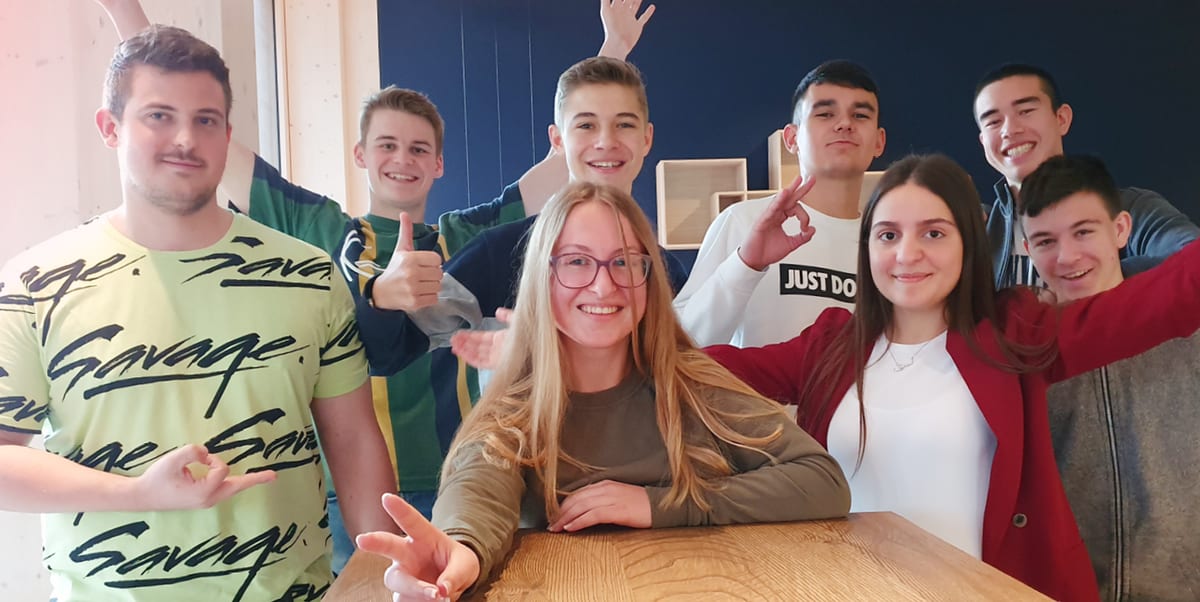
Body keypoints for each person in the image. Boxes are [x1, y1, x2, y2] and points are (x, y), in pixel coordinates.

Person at [93, 0, 656, 573]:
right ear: (361, 155)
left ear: (438, 164)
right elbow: (212, 142)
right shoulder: (318, 230)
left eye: (419, 149)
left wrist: (612, 51)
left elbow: (571, 150)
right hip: (348, 491)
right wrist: (127, 17)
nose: (402, 160)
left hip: (464, 479)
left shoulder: (466, 236)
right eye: (387, 145)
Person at [0, 25, 396, 600]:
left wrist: (383, 579)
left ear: (228, 134)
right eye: (159, 116)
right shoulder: (34, 284)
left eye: (206, 120)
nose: (185, 139)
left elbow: (355, 439)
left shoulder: (307, 274)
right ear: (110, 127)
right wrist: (137, 494)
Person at [707, 153, 1200, 601]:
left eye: (934, 233)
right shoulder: (831, 344)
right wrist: (747, 263)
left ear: (968, 242)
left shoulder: (1014, 332)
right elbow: (692, 370)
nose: (907, 254)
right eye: (888, 235)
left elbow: (1171, 297)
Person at [355, 182, 851, 600]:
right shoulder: (519, 406)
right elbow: (479, 486)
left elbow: (822, 480)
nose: (603, 285)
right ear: (544, 278)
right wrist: (459, 547)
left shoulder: (694, 385)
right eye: (576, 262)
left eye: (624, 262)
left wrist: (658, 504)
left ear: (647, 278)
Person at [360, 55, 688, 377]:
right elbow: (386, 355)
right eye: (586, 125)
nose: (606, 141)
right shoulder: (497, 254)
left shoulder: (666, 271)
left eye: (624, 124)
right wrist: (381, 297)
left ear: (646, 139)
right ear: (558, 140)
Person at [1018, 155, 1200, 601]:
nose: (1067, 257)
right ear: (1026, 248)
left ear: (1121, 229)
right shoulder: (1020, 353)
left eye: (1083, 232)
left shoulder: (1188, 330)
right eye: (1045, 241)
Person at [672, 60, 886, 347]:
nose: (845, 124)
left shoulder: (889, 244)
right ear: (792, 138)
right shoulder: (743, 221)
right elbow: (681, 343)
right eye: (825, 114)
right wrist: (746, 264)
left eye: (860, 115)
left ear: (879, 142)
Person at [973, 63, 1198, 289]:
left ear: (1061, 119)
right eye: (993, 122)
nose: (1010, 130)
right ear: (983, 142)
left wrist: (1098, 280)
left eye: (1025, 111)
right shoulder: (978, 229)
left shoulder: (1132, 208)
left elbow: (1192, 260)